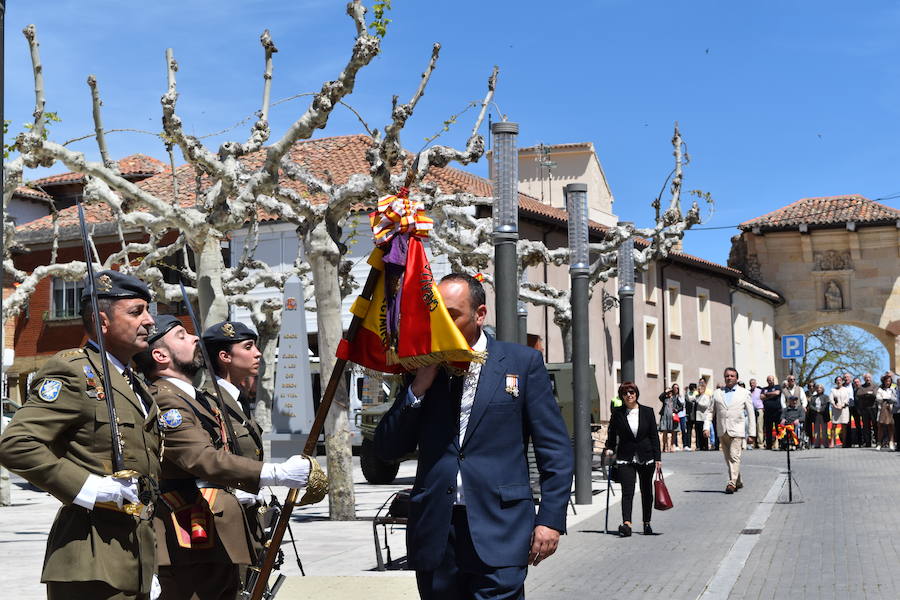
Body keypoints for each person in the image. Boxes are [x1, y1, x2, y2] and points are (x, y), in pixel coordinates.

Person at [374, 273, 573, 599]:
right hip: (437, 534)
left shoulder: (522, 363)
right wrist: (417, 388)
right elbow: (388, 446)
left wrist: (551, 519)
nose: (443, 323)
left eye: (452, 314)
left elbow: (555, 449)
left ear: (480, 314)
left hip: (501, 530)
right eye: (436, 314)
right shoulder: (422, 366)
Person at [135, 315, 326, 600]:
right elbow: (199, 457)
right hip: (189, 534)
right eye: (181, 335)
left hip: (215, 530)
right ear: (160, 355)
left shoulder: (194, 398)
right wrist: (274, 473)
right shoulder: (165, 399)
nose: (195, 338)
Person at [0, 271, 161, 599]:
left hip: (135, 550)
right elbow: (16, 443)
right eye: (136, 312)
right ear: (103, 322)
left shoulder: (135, 382)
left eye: (148, 311)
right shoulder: (73, 371)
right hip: (90, 553)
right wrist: (91, 487)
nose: (149, 321)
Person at [604, 382, 662, 537]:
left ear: (636, 393)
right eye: (625, 393)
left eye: (631, 392)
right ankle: (627, 524)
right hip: (625, 457)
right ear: (622, 396)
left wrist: (658, 457)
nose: (629, 395)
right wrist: (609, 448)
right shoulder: (618, 413)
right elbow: (611, 434)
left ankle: (647, 523)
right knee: (627, 492)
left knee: (646, 492)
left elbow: (654, 436)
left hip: (646, 456)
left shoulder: (647, 412)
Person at [704, 367, 756, 494]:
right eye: (727, 376)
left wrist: (752, 434)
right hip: (722, 430)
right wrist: (706, 427)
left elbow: (751, 414)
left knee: (734, 456)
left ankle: (731, 483)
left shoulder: (744, 393)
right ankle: (738, 481)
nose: (729, 378)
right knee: (729, 458)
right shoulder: (717, 393)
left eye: (732, 376)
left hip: (737, 430)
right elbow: (710, 411)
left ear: (737, 378)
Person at [856, 373, 878, 448]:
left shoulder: (875, 385)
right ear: (864, 379)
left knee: (875, 425)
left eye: (869, 377)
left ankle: (878, 441)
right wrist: (868, 393)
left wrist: (865, 395)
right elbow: (859, 394)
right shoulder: (861, 386)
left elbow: (874, 395)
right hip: (864, 409)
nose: (867, 379)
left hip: (873, 408)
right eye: (866, 378)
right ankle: (868, 443)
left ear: (871, 378)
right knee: (866, 426)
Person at [761, 375, 782, 450]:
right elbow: (761, 397)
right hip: (767, 412)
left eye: (772, 380)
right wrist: (771, 395)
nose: (770, 381)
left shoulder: (777, 387)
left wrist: (767, 395)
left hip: (777, 411)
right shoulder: (764, 388)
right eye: (769, 380)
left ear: (774, 380)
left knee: (778, 429)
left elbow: (777, 393)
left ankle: (780, 444)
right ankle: (769, 445)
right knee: (768, 429)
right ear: (767, 381)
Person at [829, 376, 850, 448]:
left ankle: (844, 442)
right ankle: (832, 442)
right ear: (835, 382)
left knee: (844, 426)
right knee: (834, 426)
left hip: (844, 409)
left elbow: (847, 399)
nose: (839, 381)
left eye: (840, 380)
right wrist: (835, 405)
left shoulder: (846, 390)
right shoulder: (833, 390)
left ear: (842, 381)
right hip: (835, 409)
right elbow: (831, 399)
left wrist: (842, 405)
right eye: (837, 380)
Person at [876, 374, 895, 449]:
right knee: (880, 426)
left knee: (891, 426)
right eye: (886, 381)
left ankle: (891, 442)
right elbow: (878, 398)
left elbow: (894, 398)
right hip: (882, 410)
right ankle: (879, 443)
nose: (888, 382)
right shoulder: (880, 389)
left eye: (889, 381)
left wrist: (887, 399)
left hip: (891, 409)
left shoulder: (893, 389)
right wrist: (886, 399)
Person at [807, 384, 830, 448]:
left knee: (824, 430)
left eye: (820, 388)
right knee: (816, 430)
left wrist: (821, 410)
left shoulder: (826, 396)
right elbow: (811, 405)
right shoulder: (813, 397)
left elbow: (826, 405)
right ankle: (817, 444)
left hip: (823, 415)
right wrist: (816, 410)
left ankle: (825, 444)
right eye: (817, 388)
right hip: (815, 415)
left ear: (822, 389)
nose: (818, 389)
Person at [693, 380, 712, 451]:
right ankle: (699, 446)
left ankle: (705, 446)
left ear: (703, 389)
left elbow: (706, 405)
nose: (698, 390)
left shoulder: (706, 396)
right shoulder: (697, 396)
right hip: (697, 417)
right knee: (698, 432)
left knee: (704, 432)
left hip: (703, 417)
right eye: (698, 389)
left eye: (700, 389)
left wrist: (698, 402)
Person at [657, 387, 675, 453]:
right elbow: (660, 397)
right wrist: (665, 392)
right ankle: (665, 446)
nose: (669, 393)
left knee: (673, 431)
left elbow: (680, 406)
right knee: (664, 431)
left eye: (670, 392)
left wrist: (676, 410)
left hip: (672, 417)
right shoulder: (664, 398)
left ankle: (672, 446)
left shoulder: (674, 398)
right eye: (668, 392)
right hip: (665, 416)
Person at [683, 383, 697, 451]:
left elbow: (695, 399)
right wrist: (686, 391)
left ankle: (698, 445)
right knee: (689, 430)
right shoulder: (688, 394)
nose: (692, 389)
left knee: (697, 431)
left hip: (696, 415)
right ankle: (688, 445)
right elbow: (688, 399)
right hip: (689, 415)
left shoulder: (696, 393)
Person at [749, 379, 764, 449]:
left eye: (753, 383)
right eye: (751, 383)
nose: (752, 384)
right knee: (752, 427)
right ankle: (753, 444)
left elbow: (763, 399)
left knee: (759, 427)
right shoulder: (748, 392)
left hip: (759, 410)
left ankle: (760, 443)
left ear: (756, 383)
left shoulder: (760, 391)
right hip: (751, 411)